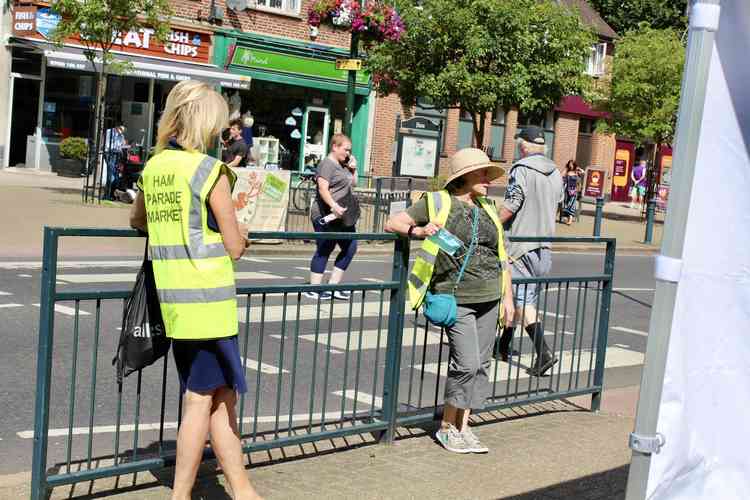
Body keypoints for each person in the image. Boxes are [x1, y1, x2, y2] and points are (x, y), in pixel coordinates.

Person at [128, 80, 261, 500]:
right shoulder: (210, 171)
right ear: (207, 123)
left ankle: (242, 489)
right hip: (210, 303)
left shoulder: (155, 168)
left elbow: (138, 221)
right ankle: (181, 494)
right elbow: (234, 245)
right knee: (201, 401)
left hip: (175, 304)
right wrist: (242, 236)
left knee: (220, 399)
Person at [385, 148, 515, 454]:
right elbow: (393, 223)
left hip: (491, 295)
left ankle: (463, 426)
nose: (488, 179)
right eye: (482, 173)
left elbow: (502, 256)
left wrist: (508, 297)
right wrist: (418, 230)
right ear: (464, 176)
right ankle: (446, 426)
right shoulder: (436, 202)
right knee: (467, 363)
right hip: (456, 297)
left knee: (481, 365)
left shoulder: (489, 207)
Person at [494, 126, 564, 377]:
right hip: (545, 247)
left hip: (520, 246)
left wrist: (492, 221)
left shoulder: (521, 169)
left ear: (523, 146)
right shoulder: (556, 172)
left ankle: (543, 352)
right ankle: (502, 345)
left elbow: (513, 203)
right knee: (516, 295)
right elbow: (560, 204)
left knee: (522, 302)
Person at [306, 134, 359, 301]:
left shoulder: (343, 165)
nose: (349, 153)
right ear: (335, 147)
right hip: (325, 214)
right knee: (325, 248)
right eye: (346, 149)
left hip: (343, 216)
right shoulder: (327, 164)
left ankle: (332, 287)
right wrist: (333, 206)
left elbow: (354, 183)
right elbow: (323, 189)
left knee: (350, 247)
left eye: (350, 150)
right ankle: (314, 289)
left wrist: (353, 169)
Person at [103, 124, 127, 200]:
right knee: (111, 175)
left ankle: (110, 194)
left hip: (117, 154)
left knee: (116, 176)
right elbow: (108, 144)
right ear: (117, 127)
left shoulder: (121, 136)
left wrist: (124, 145)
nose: (121, 132)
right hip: (109, 153)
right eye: (121, 129)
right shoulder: (110, 132)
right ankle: (106, 195)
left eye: (123, 131)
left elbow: (122, 145)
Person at [561, 159, 584, 225]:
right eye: (569, 164)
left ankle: (570, 220)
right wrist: (565, 168)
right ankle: (568, 218)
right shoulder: (567, 171)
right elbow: (561, 175)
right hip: (567, 190)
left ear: (574, 165)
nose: (570, 165)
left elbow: (583, 172)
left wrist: (578, 168)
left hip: (574, 191)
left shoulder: (576, 172)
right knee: (567, 204)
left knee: (572, 205)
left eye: (572, 164)